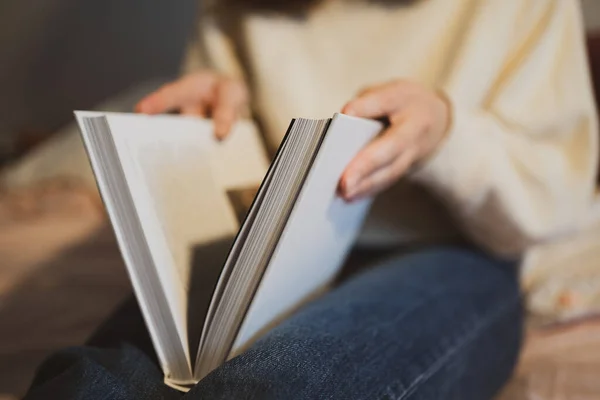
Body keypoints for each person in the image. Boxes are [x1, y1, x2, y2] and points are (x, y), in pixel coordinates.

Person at [24, 0, 598, 399]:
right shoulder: (244, 9)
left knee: (285, 384)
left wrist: (445, 134)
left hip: (455, 247)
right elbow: (239, 175)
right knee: (90, 382)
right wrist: (217, 127)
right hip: (281, 241)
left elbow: (559, 198)